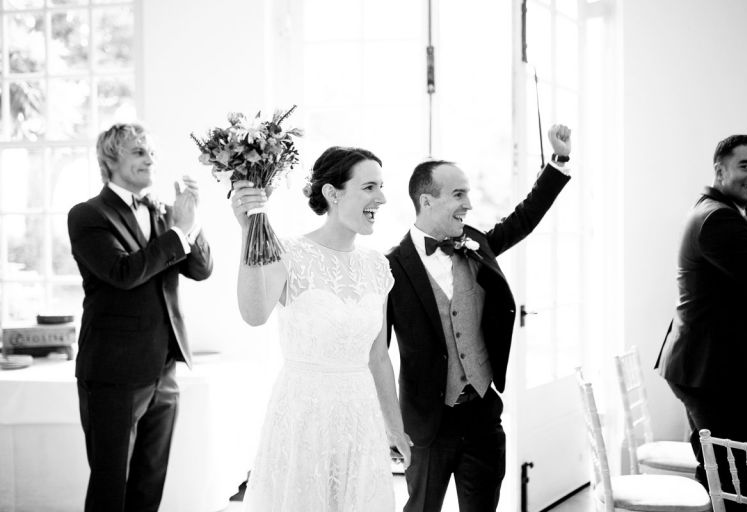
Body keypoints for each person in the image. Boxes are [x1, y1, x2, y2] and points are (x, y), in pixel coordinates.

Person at [386, 125, 572, 512]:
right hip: (427, 426)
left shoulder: (476, 243)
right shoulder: (389, 268)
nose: (468, 203)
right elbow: (374, 354)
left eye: (468, 192)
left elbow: (523, 219)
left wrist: (559, 163)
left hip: (483, 416)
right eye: (458, 194)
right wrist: (387, 424)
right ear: (427, 200)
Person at [231, 146, 412, 511]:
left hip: (360, 416)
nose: (382, 197)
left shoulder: (378, 267)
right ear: (333, 193)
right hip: (303, 416)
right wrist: (249, 232)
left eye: (381, 186)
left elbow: (378, 356)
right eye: (369, 187)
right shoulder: (288, 253)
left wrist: (394, 427)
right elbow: (253, 314)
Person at [67, 123, 213, 512]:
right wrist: (178, 232)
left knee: (150, 484)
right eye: (138, 152)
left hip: (164, 369)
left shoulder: (163, 213)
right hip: (113, 374)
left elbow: (201, 270)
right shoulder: (87, 215)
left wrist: (190, 223)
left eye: (152, 152)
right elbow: (123, 273)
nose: (151, 160)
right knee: (110, 487)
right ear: (110, 159)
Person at [655, 134, 747, 505]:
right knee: (740, 476)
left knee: (726, 468)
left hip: (705, 364)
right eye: (746, 166)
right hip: (709, 368)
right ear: (720, 171)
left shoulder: (720, 208)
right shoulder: (718, 219)